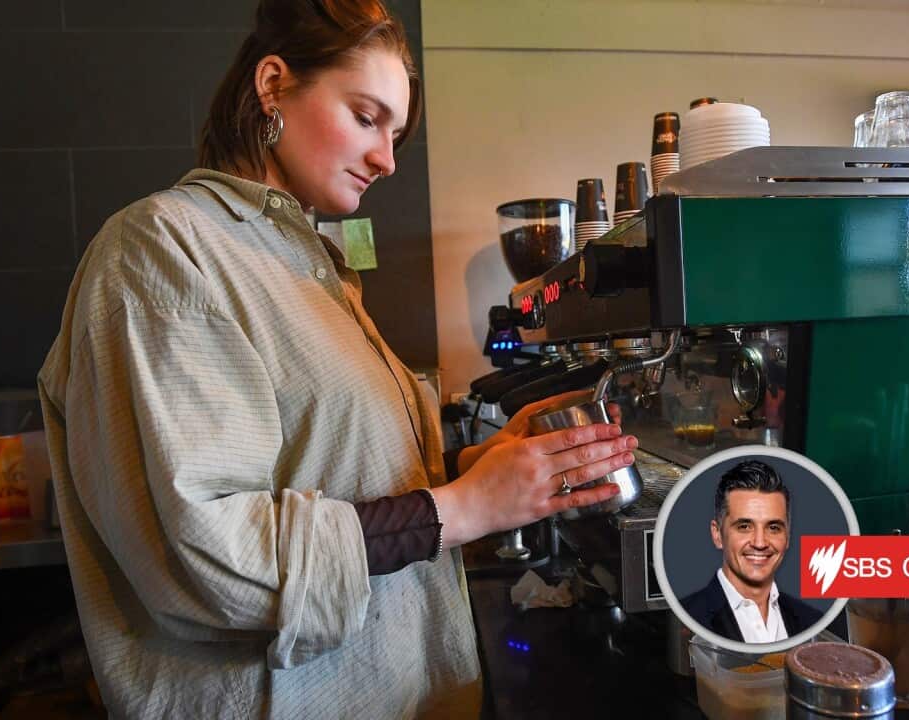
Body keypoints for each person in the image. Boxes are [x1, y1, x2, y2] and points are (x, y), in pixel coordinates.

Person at [36, 2, 637, 717]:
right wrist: (461, 509)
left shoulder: (313, 270)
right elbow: (207, 556)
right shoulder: (165, 249)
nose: (387, 158)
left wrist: (485, 471)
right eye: (366, 116)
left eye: (396, 132)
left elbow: (337, 479)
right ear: (272, 86)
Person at [681, 460, 810, 644]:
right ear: (717, 534)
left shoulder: (809, 619)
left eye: (773, 528)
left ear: (788, 536)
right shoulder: (687, 620)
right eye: (744, 526)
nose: (760, 542)